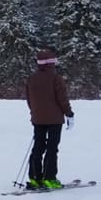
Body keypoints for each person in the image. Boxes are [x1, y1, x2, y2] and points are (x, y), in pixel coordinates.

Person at [25, 48, 74, 190]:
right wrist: (69, 114)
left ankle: (35, 178)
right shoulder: (56, 78)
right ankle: (49, 178)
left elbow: (29, 99)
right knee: (52, 148)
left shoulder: (31, 78)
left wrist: (34, 112)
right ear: (51, 63)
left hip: (37, 119)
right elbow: (62, 99)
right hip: (55, 119)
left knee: (38, 147)